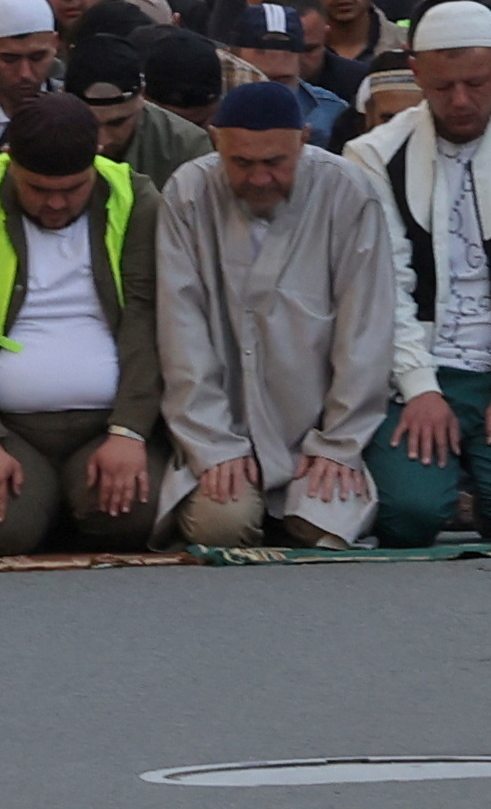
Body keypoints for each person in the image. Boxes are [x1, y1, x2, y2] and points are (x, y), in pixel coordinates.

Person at [347, 0, 491, 546]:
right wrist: (420, 387)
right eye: (444, 86)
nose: (461, 101)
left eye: (476, 83)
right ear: (416, 70)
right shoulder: (374, 155)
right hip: (414, 371)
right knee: (410, 516)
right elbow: (385, 284)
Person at [0, 94, 173, 554]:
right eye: (38, 189)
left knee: (137, 513)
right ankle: (43, 504)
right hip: (6, 425)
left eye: (72, 189)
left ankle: (62, 503)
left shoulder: (136, 198)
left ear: (96, 161)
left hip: (107, 423)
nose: (56, 203)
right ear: (10, 162)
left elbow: (148, 318)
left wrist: (131, 431)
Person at [151, 80, 401, 547]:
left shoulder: (348, 192)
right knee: (222, 527)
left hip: (316, 435)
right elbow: (180, 333)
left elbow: (365, 332)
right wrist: (213, 444)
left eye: (275, 163)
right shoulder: (188, 193)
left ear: (304, 140)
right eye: (241, 163)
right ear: (216, 142)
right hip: (222, 428)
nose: (259, 178)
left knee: (322, 528)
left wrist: (339, 444)